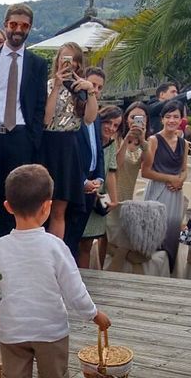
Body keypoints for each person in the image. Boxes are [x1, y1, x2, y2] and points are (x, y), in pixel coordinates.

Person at [0, 164, 111, 378]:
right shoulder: (56, 247)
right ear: (47, 207)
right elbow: (74, 290)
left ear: (8, 207)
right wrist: (93, 314)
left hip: (13, 332)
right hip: (51, 331)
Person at [0, 3, 47, 249]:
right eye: (14, 24)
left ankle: (15, 251)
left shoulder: (37, 64)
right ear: (6, 25)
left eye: (24, 26)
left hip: (20, 138)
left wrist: (32, 139)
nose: (18, 30)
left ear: (30, 29)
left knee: (18, 197)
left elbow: (39, 105)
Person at [103, 102, 169, 275]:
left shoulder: (144, 143)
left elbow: (148, 165)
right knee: (106, 234)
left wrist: (143, 140)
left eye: (142, 118)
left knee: (121, 235)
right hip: (110, 191)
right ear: (126, 119)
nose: (137, 121)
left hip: (128, 194)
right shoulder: (115, 137)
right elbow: (114, 164)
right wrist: (126, 139)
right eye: (133, 117)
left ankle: (118, 270)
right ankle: (105, 269)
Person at [42, 42, 97, 240]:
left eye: (73, 60)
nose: (69, 64)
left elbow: (90, 119)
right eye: (65, 58)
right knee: (39, 205)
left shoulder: (80, 88)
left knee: (59, 209)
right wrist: (56, 87)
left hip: (68, 148)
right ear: (58, 61)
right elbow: (46, 120)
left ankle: (57, 255)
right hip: (46, 146)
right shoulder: (47, 85)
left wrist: (90, 91)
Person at [64, 66, 106, 261]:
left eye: (99, 87)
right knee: (66, 238)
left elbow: (98, 148)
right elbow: (68, 155)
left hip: (92, 186)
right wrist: (81, 182)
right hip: (74, 183)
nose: (95, 90)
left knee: (77, 237)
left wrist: (99, 178)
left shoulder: (95, 115)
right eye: (92, 85)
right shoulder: (72, 111)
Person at [142, 100, 189, 271]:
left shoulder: (184, 144)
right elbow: (145, 172)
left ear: (181, 120)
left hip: (175, 194)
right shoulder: (153, 140)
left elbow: (184, 169)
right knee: (154, 233)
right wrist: (171, 178)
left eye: (176, 117)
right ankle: (150, 272)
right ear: (162, 119)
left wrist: (180, 180)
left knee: (171, 235)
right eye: (168, 117)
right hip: (157, 191)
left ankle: (168, 273)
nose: (172, 120)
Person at [79, 106, 122, 269]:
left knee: (87, 245)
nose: (111, 128)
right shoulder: (88, 140)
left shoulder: (111, 145)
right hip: (81, 192)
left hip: (98, 198)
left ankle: (84, 280)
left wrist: (114, 199)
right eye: (108, 122)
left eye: (116, 125)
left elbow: (111, 171)